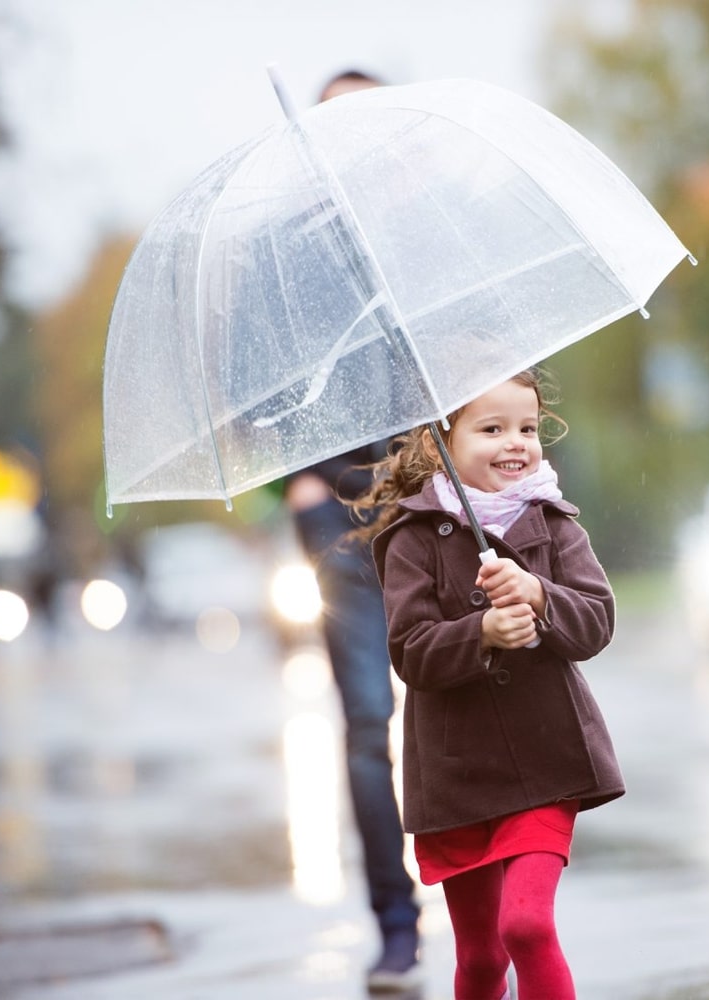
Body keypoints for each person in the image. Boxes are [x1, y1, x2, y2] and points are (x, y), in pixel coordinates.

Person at [349, 367, 624, 999]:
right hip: (458, 780)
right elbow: (411, 652)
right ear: (440, 438)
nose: (515, 443)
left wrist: (538, 593)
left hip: (543, 761)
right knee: (479, 958)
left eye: (527, 428)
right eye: (491, 428)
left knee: (525, 926)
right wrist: (480, 634)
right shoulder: (410, 540)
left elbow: (596, 621)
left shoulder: (553, 523)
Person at [282, 68, 422, 994]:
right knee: (369, 727)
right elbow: (256, 385)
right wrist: (294, 477)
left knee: (475, 711)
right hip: (340, 519)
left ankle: (495, 899)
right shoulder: (287, 262)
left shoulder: (430, 233)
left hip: (436, 503)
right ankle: (397, 927)